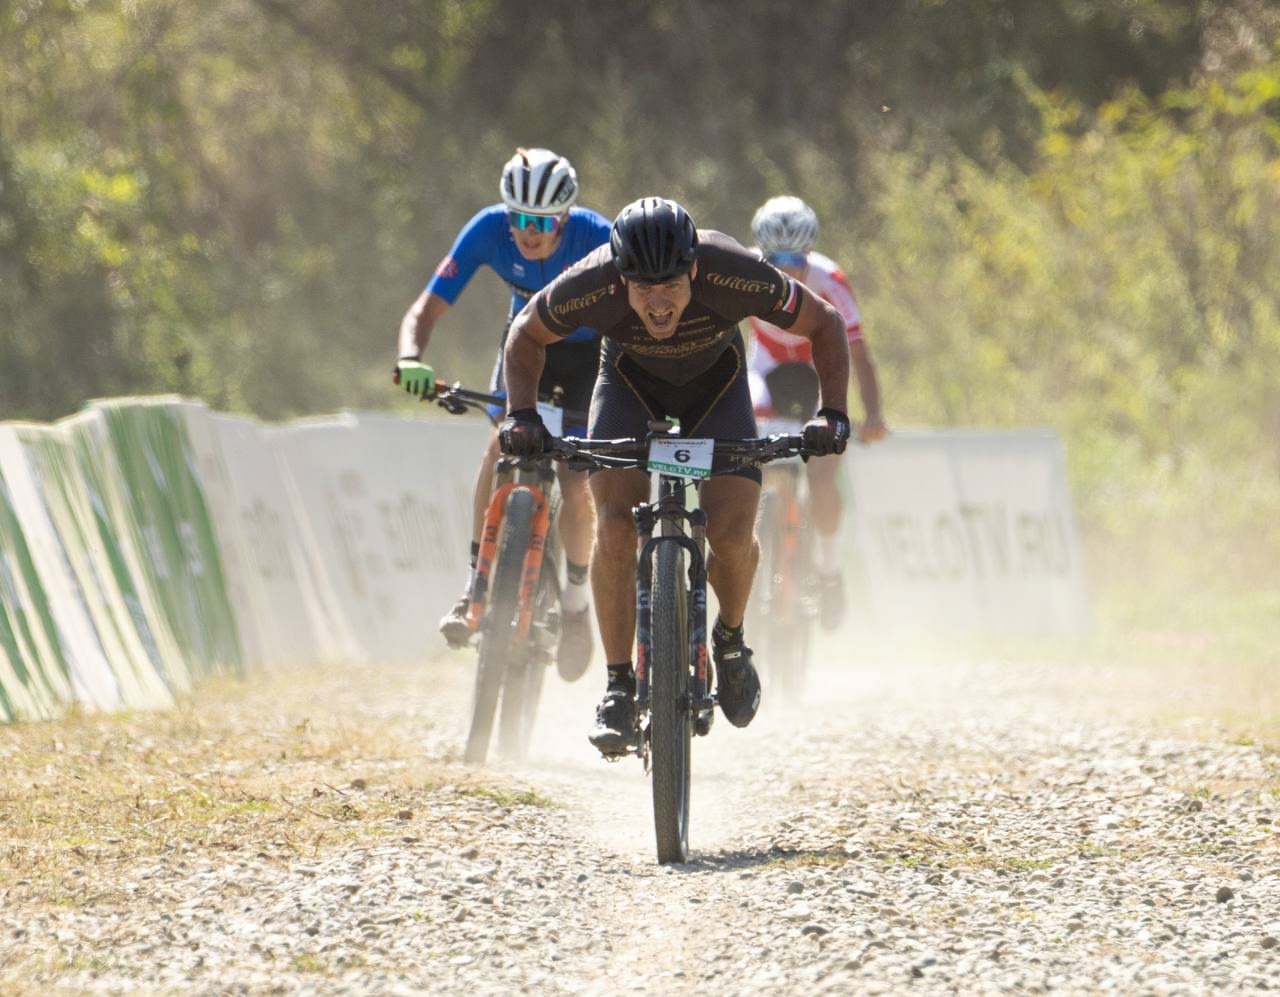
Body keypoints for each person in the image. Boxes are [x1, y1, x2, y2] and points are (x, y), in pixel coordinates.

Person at [496, 197, 852, 755]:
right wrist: (520, 416)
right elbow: (525, 333)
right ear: (620, 277)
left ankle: (730, 643)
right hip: (627, 387)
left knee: (732, 535)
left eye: (671, 287)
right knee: (613, 526)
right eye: (642, 289)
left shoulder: (731, 271)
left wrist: (831, 411)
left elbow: (825, 324)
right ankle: (617, 685)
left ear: (694, 270)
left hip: (718, 388)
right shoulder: (594, 281)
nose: (658, 304)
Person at [393, 148, 611, 680]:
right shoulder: (488, 229)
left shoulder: (600, 237)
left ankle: (578, 604)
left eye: (540, 223)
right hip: (527, 349)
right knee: (500, 447)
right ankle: (476, 586)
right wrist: (409, 357)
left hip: (589, 356)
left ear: (564, 218)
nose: (527, 232)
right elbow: (427, 306)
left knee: (576, 476)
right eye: (519, 218)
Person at [746, 195, 888, 630]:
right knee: (751, 451)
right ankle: (761, 543)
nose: (785, 269)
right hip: (767, 367)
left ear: (809, 253)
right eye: (775, 259)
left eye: (794, 259)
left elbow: (859, 354)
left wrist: (873, 415)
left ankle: (828, 572)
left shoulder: (831, 282)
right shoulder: (746, 273)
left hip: (817, 368)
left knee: (824, 477)